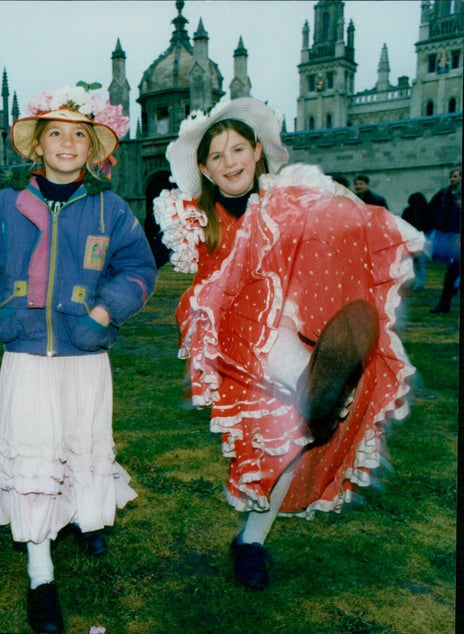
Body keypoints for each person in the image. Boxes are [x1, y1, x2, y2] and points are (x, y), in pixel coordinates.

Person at [154, 98, 422, 590]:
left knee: (289, 444)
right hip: (234, 336)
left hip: (289, 321)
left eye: (238, 149)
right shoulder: (194, 218)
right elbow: (189, 279)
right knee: (272, 351)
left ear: (257, 151)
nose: (230, 162)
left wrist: (336, 203)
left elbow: (337, 222)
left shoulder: (287, 195)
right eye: (216, 156)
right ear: (205, 170)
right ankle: (316, 388)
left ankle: (252, 539)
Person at [0, 86, 157, 632]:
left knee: (78, 443)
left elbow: (140, 270)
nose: (67, 142)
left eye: (80, 134)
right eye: (55, 132)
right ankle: (40, 572)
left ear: (95, 147)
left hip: (84, 350)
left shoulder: (111, 208)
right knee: (34, 456)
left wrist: (106, 311)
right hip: (25, 351)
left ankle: (83, 516)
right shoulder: (5, 206)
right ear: (37, 145)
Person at [428, 167, 461, 314]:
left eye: (455, 176)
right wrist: (439, 223)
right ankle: (444, 304)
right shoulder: (444, 193)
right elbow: (432, 207)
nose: (452, 179)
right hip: (451, 236)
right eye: (451, 176)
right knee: (451, 271)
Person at [401, 192, 433, 290]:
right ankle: (419, 282)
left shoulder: (408, 211)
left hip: (415, 239)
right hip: (416, 239)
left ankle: (418, 283)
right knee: (419, 263)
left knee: (415, 262)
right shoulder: (426, 211)